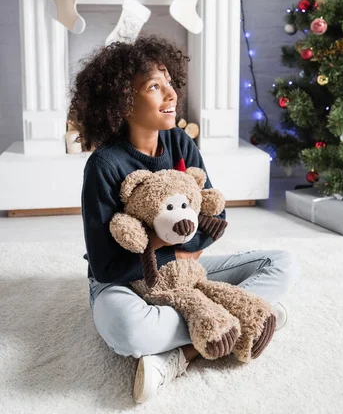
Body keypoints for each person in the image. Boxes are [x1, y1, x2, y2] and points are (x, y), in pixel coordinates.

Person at [70, 35, 301, 404]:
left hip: (184, 274)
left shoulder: (181, 142)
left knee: (283, 264)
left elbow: (214, 215)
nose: (171, 95)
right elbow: (105, 264)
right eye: (154, 87)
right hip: (126, 280)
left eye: (170, 83)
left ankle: (181, 354)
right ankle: (243, 318)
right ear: (123, 101)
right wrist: (171, 254)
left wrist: (177, 254)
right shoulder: (104, 165)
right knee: (127, 330)